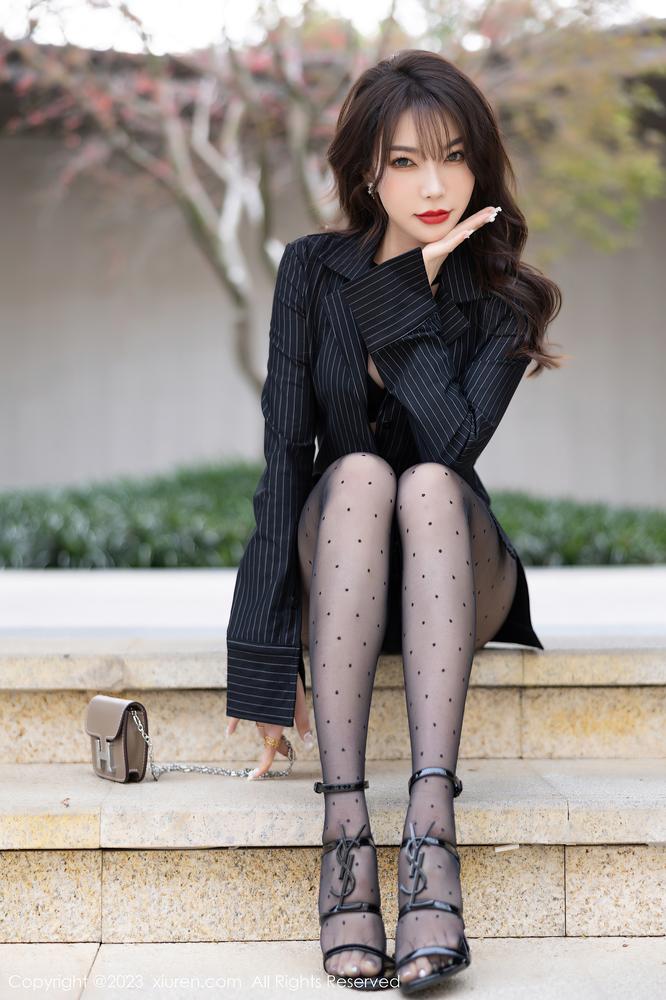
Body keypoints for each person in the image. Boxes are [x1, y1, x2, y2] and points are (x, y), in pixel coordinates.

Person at [226, 48, 563, 994]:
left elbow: (452, 446)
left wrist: (401, 298)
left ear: (481, 164)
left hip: (456, 565)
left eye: (453, 157)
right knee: (362, 472)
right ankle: (344, 834)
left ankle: (429, 832)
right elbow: (284, 461)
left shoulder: (506, 297)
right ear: (367, 172)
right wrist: (261, 663)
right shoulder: (309, 270)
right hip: (342, 553)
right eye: (406, 161)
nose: (435, 185)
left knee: (420, 483)